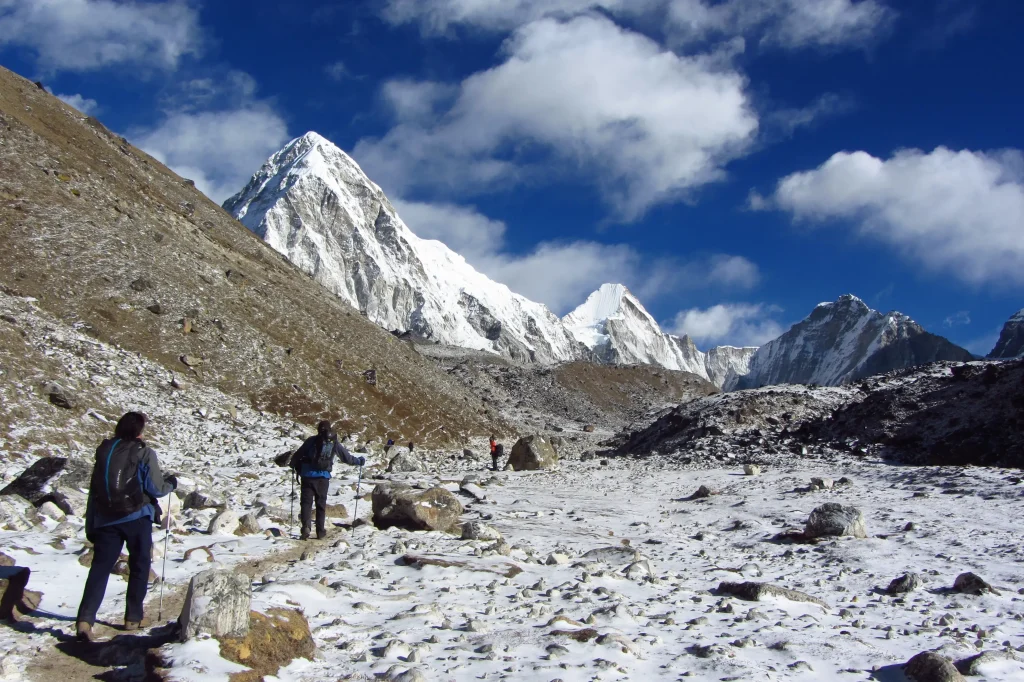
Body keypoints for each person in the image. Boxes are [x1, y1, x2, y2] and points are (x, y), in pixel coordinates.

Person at [76, 412, 177, 642]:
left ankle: (85, 620)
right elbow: (156, 488)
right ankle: (133, 618)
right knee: (140, 565)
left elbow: (95, 490)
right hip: (137, 517)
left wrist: (91, 522)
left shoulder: (105, 451)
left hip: (105, 519)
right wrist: (171, 483)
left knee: (99, 569)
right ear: (139, 431)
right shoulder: (144, 452)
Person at [290, 420, 364, 540]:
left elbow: (297, 455)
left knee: (306, 503)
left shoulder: (311, 441)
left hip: (307, 476)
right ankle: (320, 531)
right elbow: (347, 458)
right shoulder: (333, 442)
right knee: (321, 505)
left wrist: (293, 465)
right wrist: (359, 461)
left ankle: (306, 528)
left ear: (318, 430)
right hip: (323, 478)